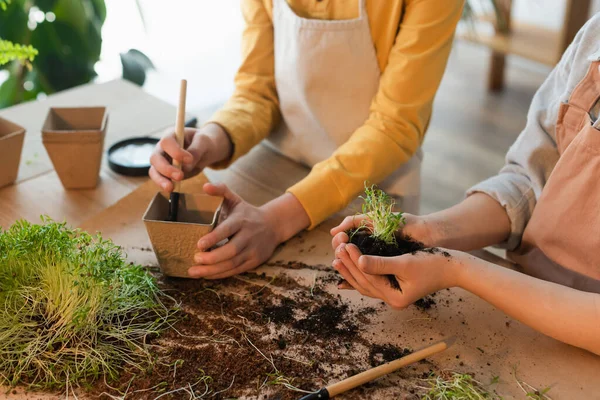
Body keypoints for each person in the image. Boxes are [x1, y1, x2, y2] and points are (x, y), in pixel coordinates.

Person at [330, 14, 600, 356]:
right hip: (517, 304)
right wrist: (431, 232)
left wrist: (458, 269)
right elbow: (529, 183)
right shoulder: (595, 37)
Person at [149, 0, 464, 279]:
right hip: (278, 159)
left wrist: (276, 221)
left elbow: (394, 126)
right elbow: (258, 90)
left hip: (373, 185)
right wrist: (211, 139)